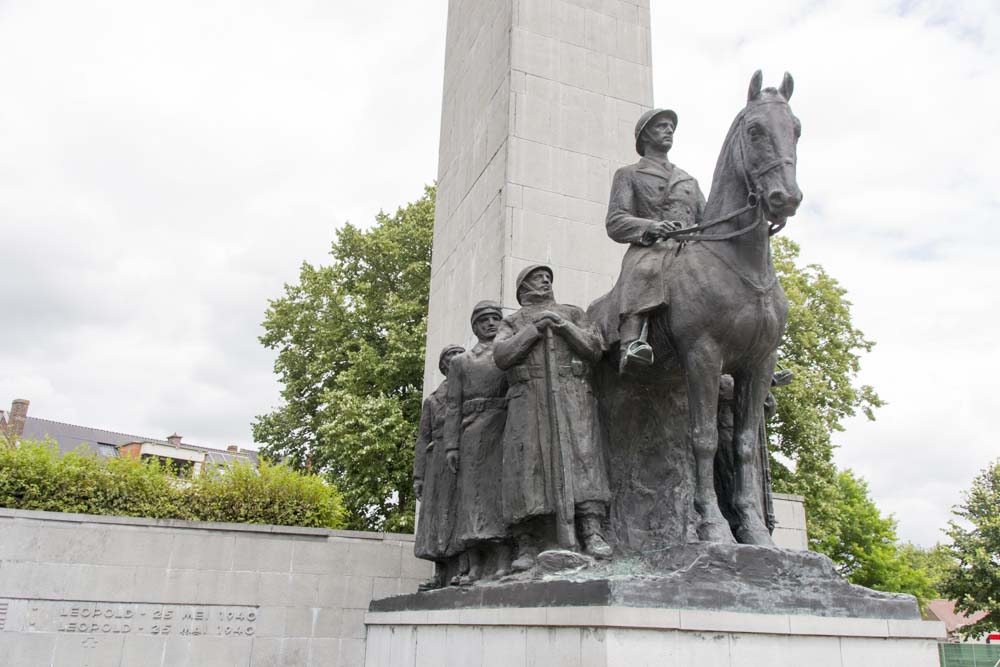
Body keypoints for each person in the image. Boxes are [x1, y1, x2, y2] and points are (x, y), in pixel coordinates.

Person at [493, 265, 613, 571]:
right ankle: (527, 542)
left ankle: (592, 530)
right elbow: (503, 355)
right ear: (522, 289)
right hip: (529, 398)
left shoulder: (572, 313)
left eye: (547, 277)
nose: (545, 280)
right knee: (527, 466)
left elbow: (595, 348)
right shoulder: (512, 321)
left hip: (572, 394)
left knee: (583, 459)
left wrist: (562, 326)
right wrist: (534, 329)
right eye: (536, 277)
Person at [601, 108, 706, 373]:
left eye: (671, 126)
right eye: (662, 126)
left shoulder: (689, 181)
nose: (669, 130)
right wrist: (652, 227)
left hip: (689, 248)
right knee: (644, 270)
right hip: (652, 247)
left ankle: (748, 351)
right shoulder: (629, 174)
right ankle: (632, 343)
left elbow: (708, 220)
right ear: (645, 136)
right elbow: (616, 221)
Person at [444, 301, 511, 584]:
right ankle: (474, 565)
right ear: (475, 326)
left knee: (499, 494)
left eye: (496, 318)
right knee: (471, 498)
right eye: (484, 320)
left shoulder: (507, 353)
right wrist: (451, 445)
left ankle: (503, 560)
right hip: (470, 431)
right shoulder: (461, 362)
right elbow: (452, 406)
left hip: (501, 427)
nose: (491, 323)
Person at [412, 343, 466, 590]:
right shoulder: (432, 400)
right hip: (436, 463)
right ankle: (440, 572)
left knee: (460, 511)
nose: (453, 361)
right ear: (444, 367)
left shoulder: (470, 389)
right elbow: (423, 439)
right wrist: (419, 476)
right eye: (449, 358)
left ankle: (465, 568)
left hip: (462, 457)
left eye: (458, 356)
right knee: (436, 518)